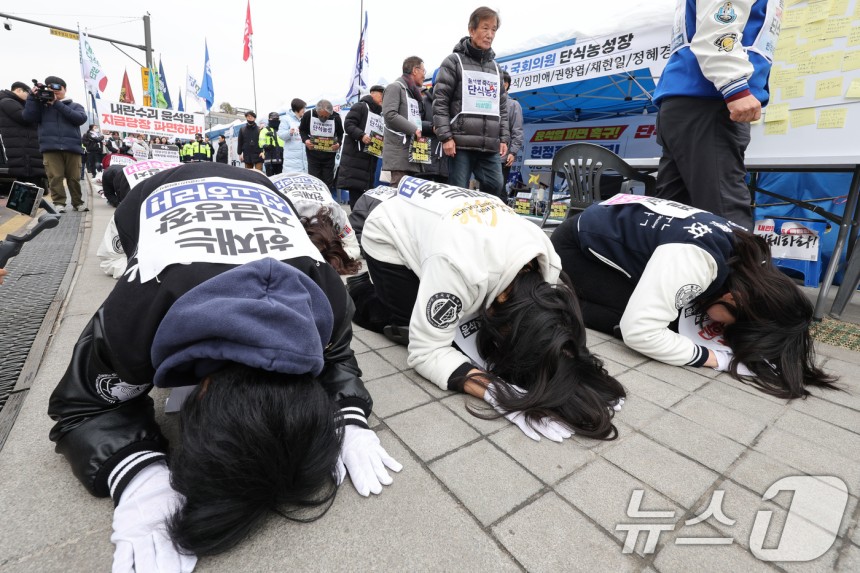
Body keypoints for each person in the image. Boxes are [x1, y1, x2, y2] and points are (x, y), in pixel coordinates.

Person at [48, 162, 401, 570]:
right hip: (151, 197)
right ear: (200, 390)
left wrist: (348, 416)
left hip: (261, 192)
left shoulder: (329, 299)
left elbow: (337, 358)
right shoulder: (133, 318)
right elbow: (82, 403)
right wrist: (138, 475)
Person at [349, 176, 625, 441]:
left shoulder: (547, 262)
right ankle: (361, 288)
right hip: (385, 226)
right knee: (410, 326)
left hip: (454, 230)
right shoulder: (458, 268)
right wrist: (496, 391)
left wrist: (575, 363)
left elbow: (552, 324)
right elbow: (426, 352)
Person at [550, 195, 839, 400]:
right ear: (737, 300)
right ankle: (553, 296)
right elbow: (640, 332)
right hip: (576, 248)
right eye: (729, 328)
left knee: (672, 315)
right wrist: (717, 359)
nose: (721, 333)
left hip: (612, 229)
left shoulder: (751, 267)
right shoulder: (699, 261)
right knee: (649, 321)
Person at [652, 0, 781, 230]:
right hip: (709, 98)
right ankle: (736, 266)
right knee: (724, 217)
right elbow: (718, 29)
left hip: (687, 98)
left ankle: (669, 265)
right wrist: (735, 87)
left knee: (675, 213)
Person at [433, 6, 509, 201]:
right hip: (460, 143)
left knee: (495, 185)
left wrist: (504, 137)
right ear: (471, 30)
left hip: (489, 144)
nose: (490, 34)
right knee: (457, 193)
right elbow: (440, 102)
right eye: (485, 28)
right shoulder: (453, 61)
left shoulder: (496, 68)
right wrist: (446, 137)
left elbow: (502, 105)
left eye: (493, 30)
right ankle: (454, 230)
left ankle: (481, 224)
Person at [22, 76, 88, 212]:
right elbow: (28, 117)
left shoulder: (75, 106)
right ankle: (59, 203)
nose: (55, 91)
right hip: (50, 147)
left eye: (58, 88)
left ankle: (78, 202)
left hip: (72, 148)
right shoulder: (41, 107)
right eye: (50, 88)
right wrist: (31, 98)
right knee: (55, 177)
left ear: (65, 89)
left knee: (74, 178)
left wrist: (57, 103)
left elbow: (80, 119)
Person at [382, 58, 434, 188]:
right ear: (415, 71)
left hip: (412, 153)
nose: (424, 74)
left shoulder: (412, 93)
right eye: (423, 70)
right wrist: (413, 129)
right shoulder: (395, 87)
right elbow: (390, 115)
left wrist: (430, 128)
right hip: (399, 152)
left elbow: (415, 121)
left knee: (408, 194)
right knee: (398, 191)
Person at [338, 85, 384, 208]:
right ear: (372, 93)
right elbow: (348, 124)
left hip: (370, 156)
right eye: (381, 95)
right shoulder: (360, 106)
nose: (383, 99)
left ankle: (360, 216)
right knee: (356, 189)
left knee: (366, 189)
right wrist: (361, 135)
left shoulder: (380, 113)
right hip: (356, 156)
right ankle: (355, 218)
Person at [0, 81, 46, 195]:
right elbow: (25, 118)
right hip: (22, 152)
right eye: (28, 92)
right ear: (18, 90)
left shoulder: (18, 103)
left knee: (30, 185)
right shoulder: (7, 101)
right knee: (26, 184)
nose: (29, 95)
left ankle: (27, 210)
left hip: (27, 150)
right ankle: (24, 210)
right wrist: (32, 99)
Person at [299, 100, 343, 196]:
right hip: (313, 155)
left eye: (326, 117)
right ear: (316, 111)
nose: (323, 119)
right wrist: (306, 140)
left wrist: (338, 144)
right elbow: (302, 130)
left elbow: (340, 133)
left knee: (327, 182)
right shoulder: (308, 115)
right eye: (321, 116)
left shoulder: (336, 117)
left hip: (329, 156)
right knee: (314, 181)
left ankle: (327, 203)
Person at [420, 71, 449, 184]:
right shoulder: (423, 101)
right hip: (426, 159)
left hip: (448, 161)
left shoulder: (453, 103)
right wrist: (432, 127)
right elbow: (414, 124)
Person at [500, 70, 523, 197]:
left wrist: (512, 152)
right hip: (485, 155)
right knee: (485, 188)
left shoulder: (514, 105)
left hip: (503, 156)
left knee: (499, 188)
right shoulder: (489, 103)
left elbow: (517, 130)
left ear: (506, 84)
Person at [279, 98, 308, 173]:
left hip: (304, 161)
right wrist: (289, 132)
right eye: (303, 108)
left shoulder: (304, 120)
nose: (304, 110)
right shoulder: (286, 119)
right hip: (291, 163)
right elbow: (281, 135)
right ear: (297, 108)